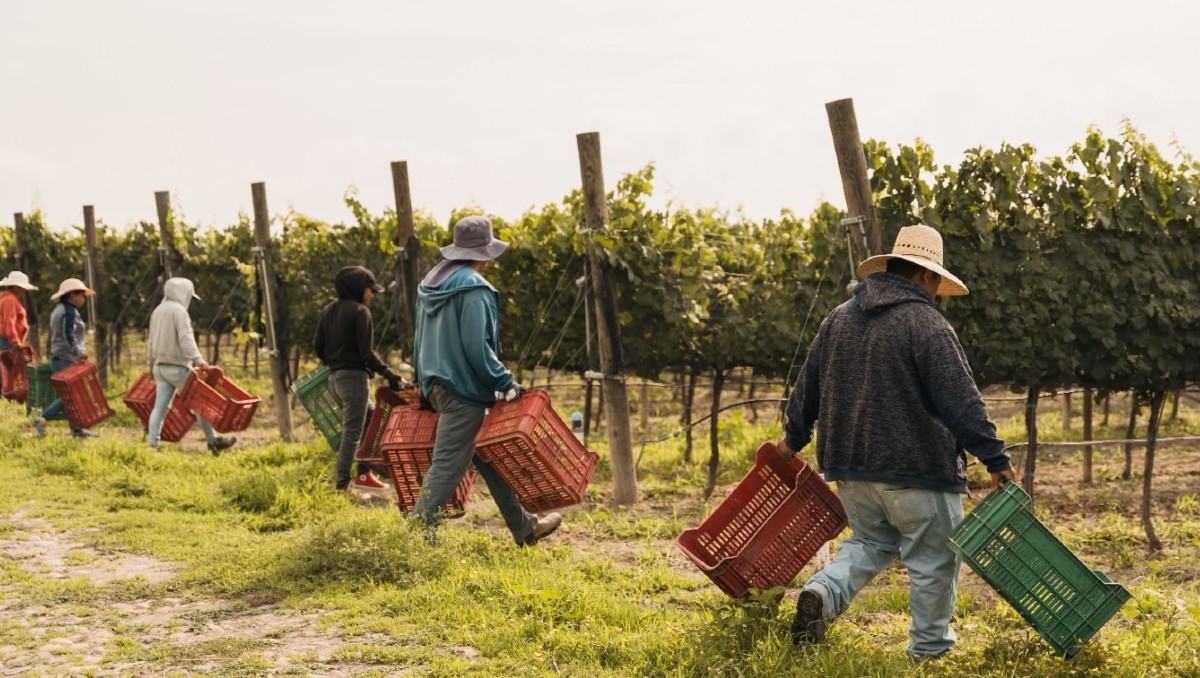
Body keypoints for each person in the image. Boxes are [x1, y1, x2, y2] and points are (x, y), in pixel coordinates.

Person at [780, 224, 1016, 660]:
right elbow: (959, 398)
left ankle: (823, 592)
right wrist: (994, 456)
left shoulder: (838, 318)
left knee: (871, 543)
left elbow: (806, 387)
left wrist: (793, 439)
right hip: (917, 469)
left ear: (889, 268)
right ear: (926, 276)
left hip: (849, 468)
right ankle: (928, 652)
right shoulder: (925, 323)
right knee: (933, 560)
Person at [411, 216, 562, 546]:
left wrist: (419, 383)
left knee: (488, 455)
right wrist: (505, 380)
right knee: (448, 465)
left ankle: (524, 527)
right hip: (464, 390)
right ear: (485, 252)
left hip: (437, 386)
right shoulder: (475, 289)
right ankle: (415, 539)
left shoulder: (431, 284)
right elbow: (478, 349)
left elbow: (418, 339)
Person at [314, 265, 402, 491]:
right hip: (353, 379)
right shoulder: (360, 312)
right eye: (369, 290)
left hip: (334, 380)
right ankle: (343, 485)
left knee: (372, 418)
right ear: (358, 289)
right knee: (352, 431)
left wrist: (337, 361)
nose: (372, 295)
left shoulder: (328, 311)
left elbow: (318, 348)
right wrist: (390, 376)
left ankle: (364, 474)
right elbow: (367, 353)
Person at [146, 277, 236, 454]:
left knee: (160, 408)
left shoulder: (157, 311)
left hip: (160, 368)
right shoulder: (179, 312)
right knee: (200, 404)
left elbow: (151, 342)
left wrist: (150, 364)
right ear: (183, 293)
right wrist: (198, 359)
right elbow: (186, 339)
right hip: (177, 368)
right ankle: (213, 441)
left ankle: (152, 444)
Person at [33, 278, 95, 437]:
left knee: (70, 397)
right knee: (70, 396)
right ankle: (40, 418)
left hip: (59, 357)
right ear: (71, 295)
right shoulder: (69, 311)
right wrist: (78, 353)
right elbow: (69, 335)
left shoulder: (59, 309)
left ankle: (77, 430)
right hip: (65, 358)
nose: (83, 299)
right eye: (81, 295)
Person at [0, 271, 37, 397]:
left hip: (6, 339)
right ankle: (6, 395)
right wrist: (15, 341)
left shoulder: (7, 299)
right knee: (7, 370)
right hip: (7, 340)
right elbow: (9, 322)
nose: (23, 291)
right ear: (15, 287)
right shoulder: (10, 300)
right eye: (22, 288)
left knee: (6, 369)